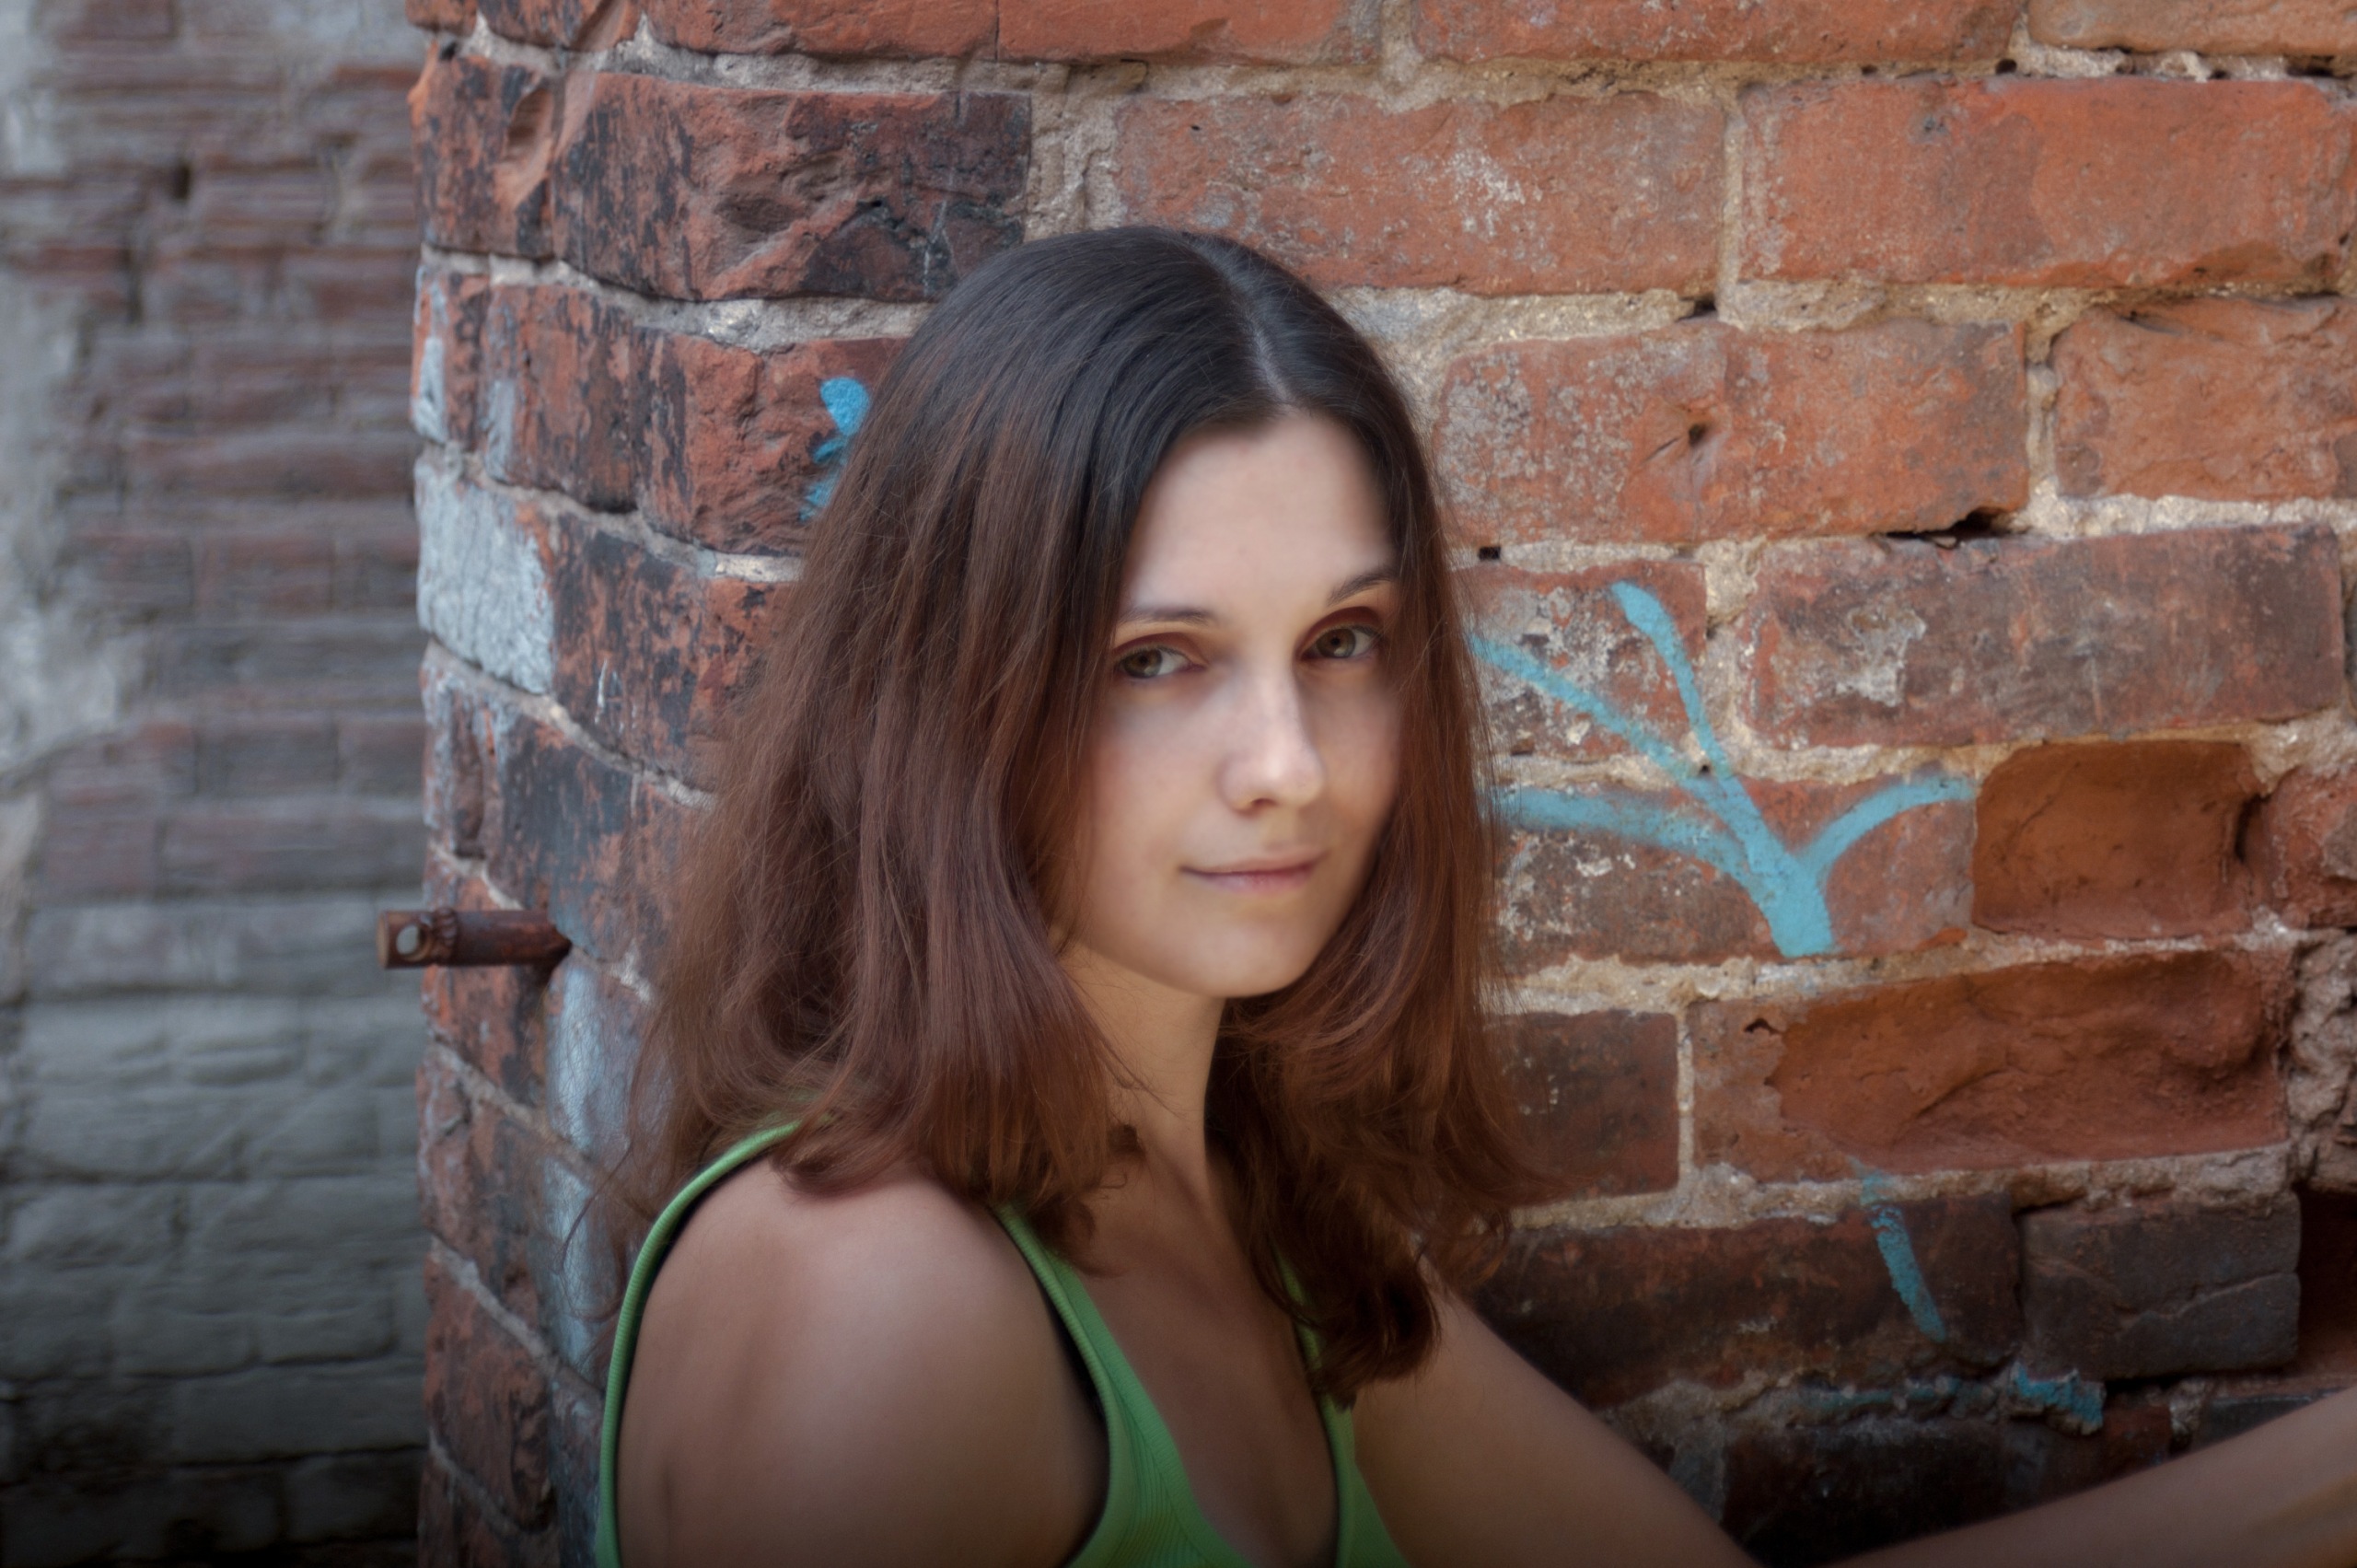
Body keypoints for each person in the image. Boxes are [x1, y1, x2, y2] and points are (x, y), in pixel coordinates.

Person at [595, 226, 2357, 1568]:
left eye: (1343, 642)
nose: (1288, 762)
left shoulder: (1257, 1222)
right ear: (947, 692)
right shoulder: (881, 1300)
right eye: (1154, 660)